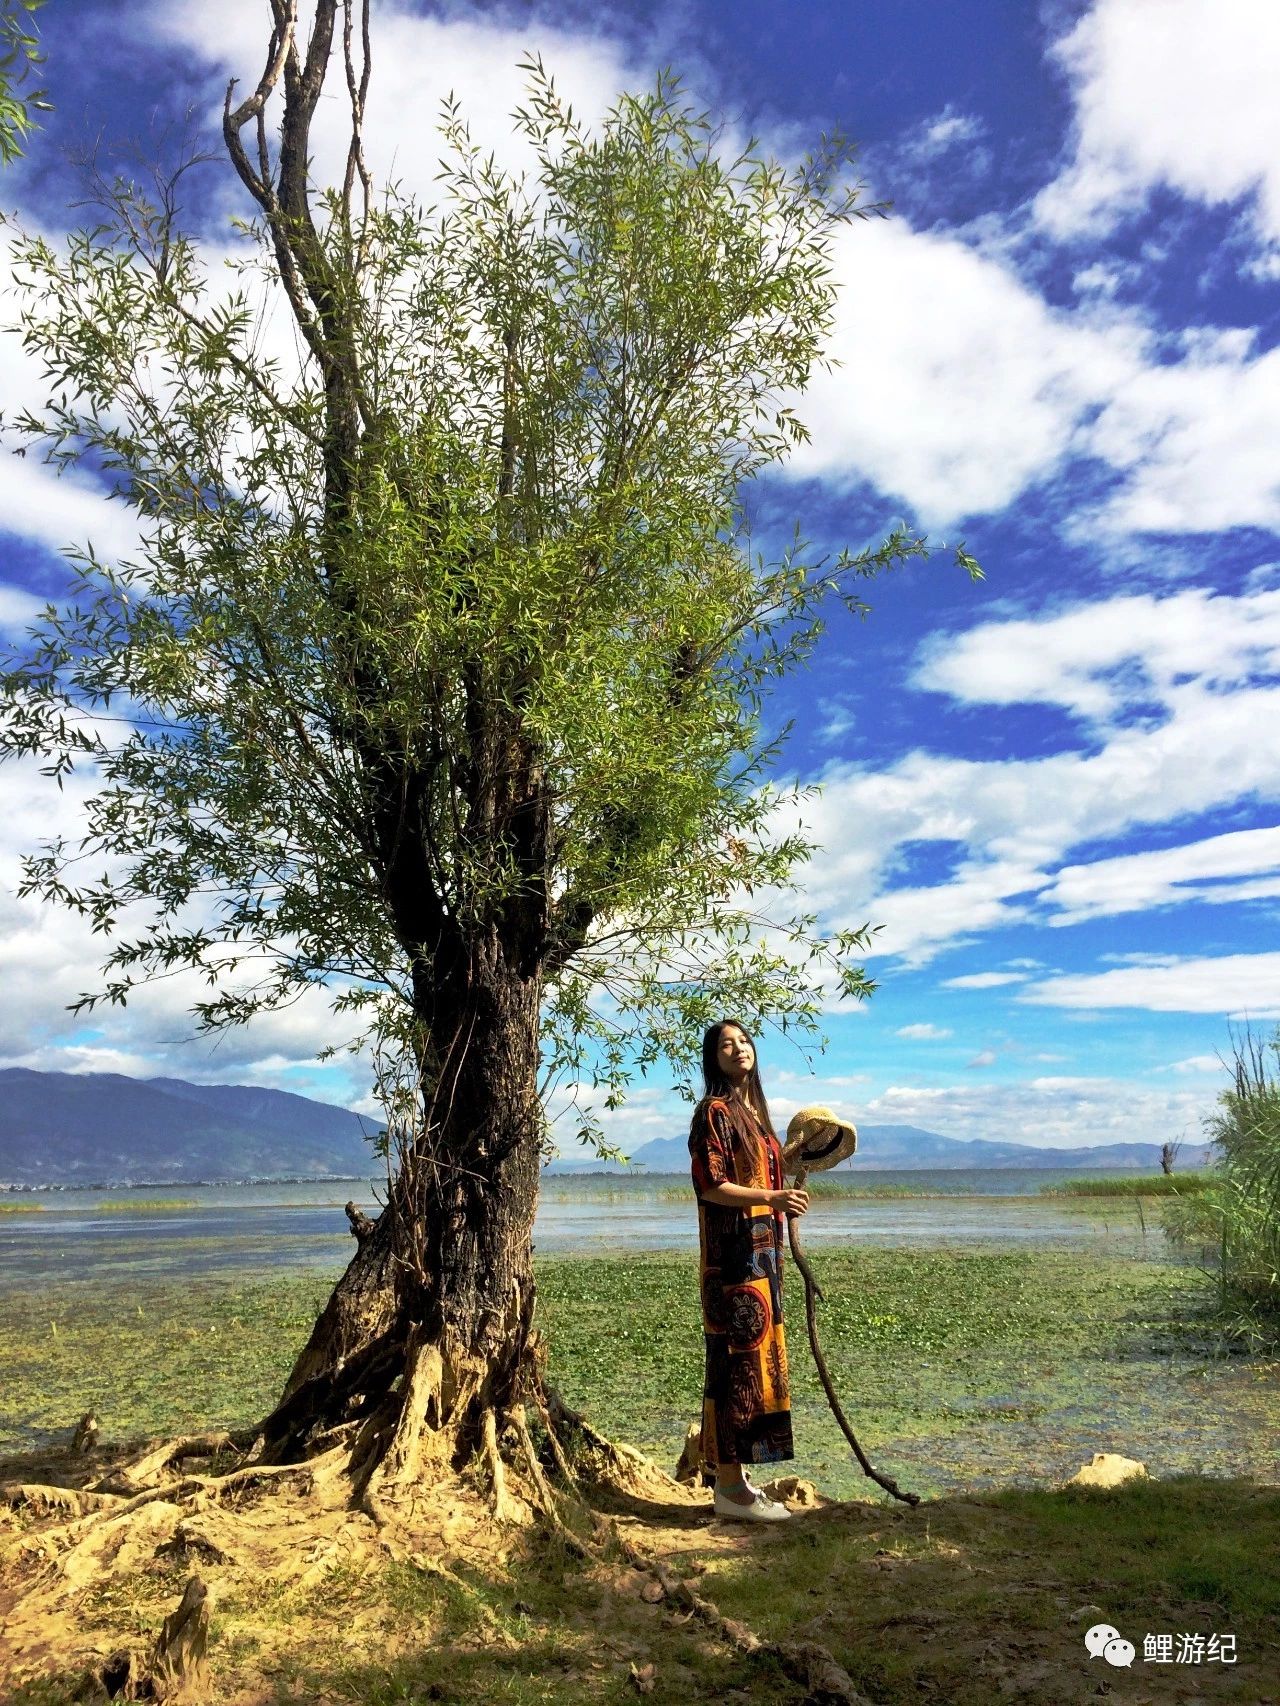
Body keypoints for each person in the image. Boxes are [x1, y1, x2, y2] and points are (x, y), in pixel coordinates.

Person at [688, 1018, 809, 1522]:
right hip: (734, 1262)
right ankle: (731, 1491)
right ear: (713, 1059)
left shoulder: (755, 1116)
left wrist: (791, 1174)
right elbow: (711, 1186)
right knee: (736, 1366)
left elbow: (764, 1173)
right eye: (725, 1044)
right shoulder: (713, 1112)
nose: (738, 1049)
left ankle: (736, 1481)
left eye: (744, 1041)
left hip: (762, 1259)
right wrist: (771, 1197)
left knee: (758, 1364)